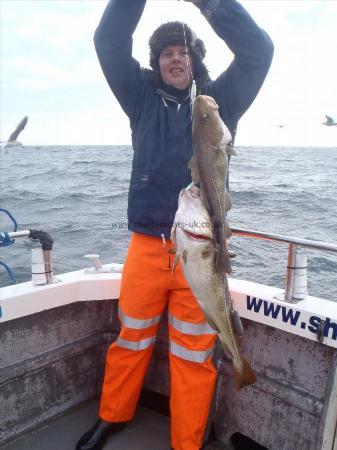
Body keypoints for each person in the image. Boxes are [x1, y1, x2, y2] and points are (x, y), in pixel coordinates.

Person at [76, 0, 273, 449]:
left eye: (181, 52)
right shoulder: (139, 97)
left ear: (194, 59)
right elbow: (108, 41)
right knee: (131, 338)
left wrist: (212, 5)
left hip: (203, 251)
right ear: (156, 63)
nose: (175, 58)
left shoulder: (218, 105)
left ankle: (187, 441)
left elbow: (258, 51)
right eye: (165, 53)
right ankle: (113, 416)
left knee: (193, 352)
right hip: (147, 245)